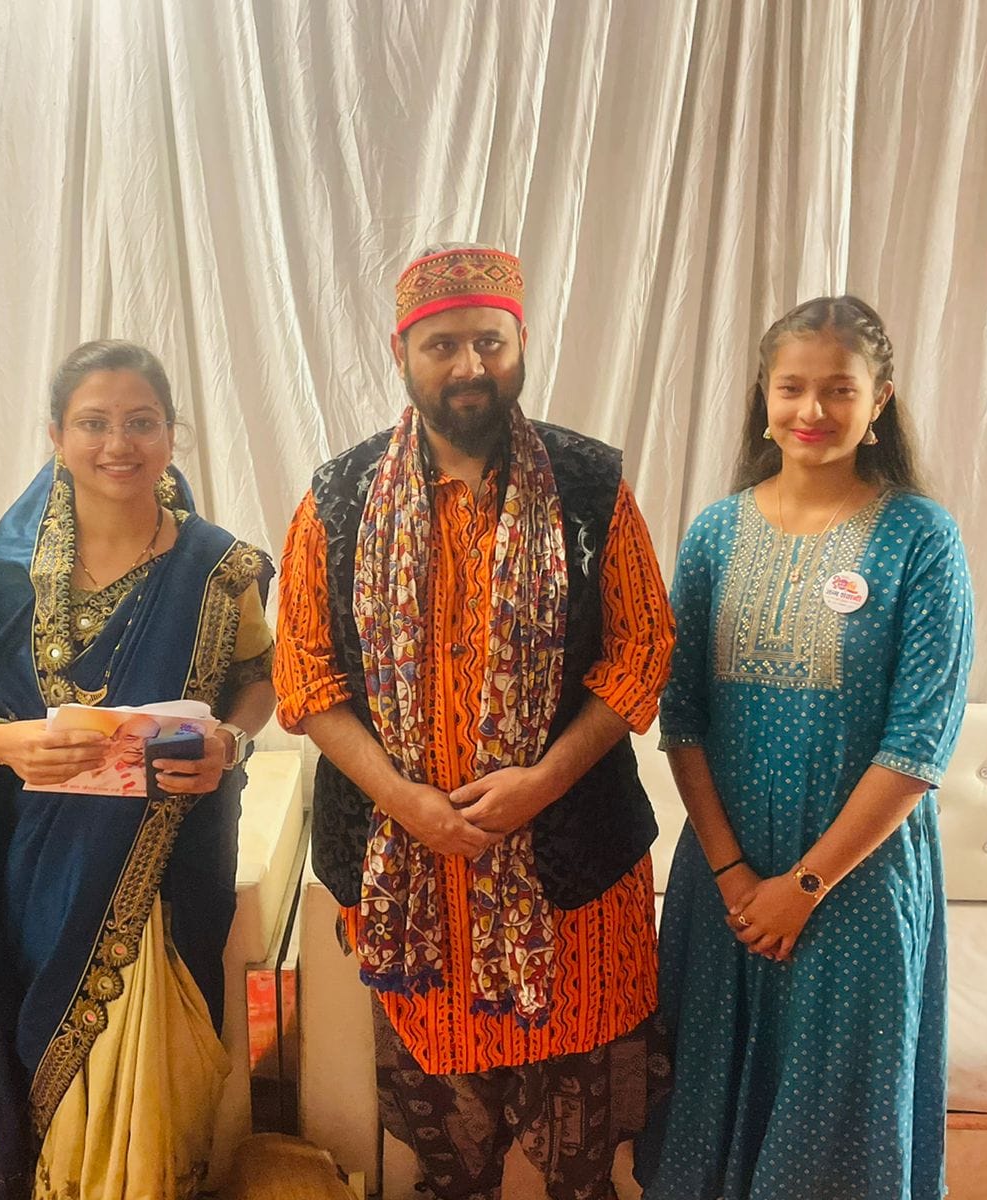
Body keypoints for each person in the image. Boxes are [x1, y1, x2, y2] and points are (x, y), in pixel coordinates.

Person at [275, 244, 675, 1199]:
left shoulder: (591, 488)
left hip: (573, 879)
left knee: (583, 1163)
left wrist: (543, 782)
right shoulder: (337, 499)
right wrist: (405, 800)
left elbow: (643, 651)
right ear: (400, 351)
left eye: (489, 342)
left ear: (521, 343)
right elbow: (305, 678)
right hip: (410, 881)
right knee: (448, 1166)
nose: (469, 365)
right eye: (442, 344)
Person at [635, 296, 975, 1200]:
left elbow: (918, 744)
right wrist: (734, 876)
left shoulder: (921, 538)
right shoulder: (716, 532)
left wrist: (804, 887)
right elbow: (683, 718)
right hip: (725, 886)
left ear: (879, 402)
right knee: (703, 1106)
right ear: (764, 397)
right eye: (791, 388)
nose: (811, 410)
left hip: (855, 887)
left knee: (832, 1132)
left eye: (839, 390)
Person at [0, 339, 276, 1198]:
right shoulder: (3, 574)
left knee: (160, 1081)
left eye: (141, 422)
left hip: (172, 862)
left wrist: (231, 743)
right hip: (41, 868)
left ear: (172, 434)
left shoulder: (219, 567)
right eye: (93, 423)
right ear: (55, 436)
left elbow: (258, 676)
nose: (118, 444)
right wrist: (4, 742)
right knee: (54, 1050)